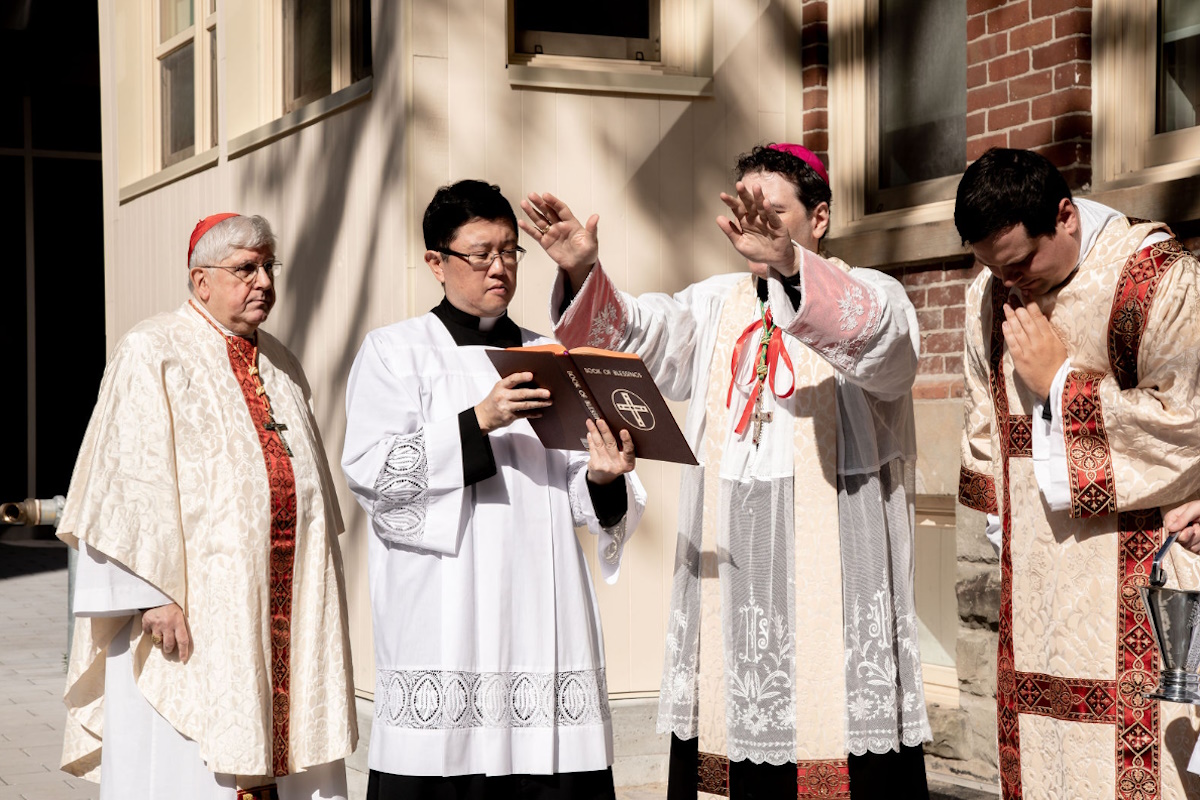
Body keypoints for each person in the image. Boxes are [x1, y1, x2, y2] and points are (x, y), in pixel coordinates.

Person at [523, 144, 931, 799]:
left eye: (772, 213)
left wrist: (794, 268)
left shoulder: (873, 294)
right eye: (744, 214)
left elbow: (887, 353)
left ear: (819, 218)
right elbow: (638, 335)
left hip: (838, 602)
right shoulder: (715, 304)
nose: (754, 230)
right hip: (733, 600)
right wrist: (583, 272)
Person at [341, 179, 645, 800]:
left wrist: (602, 478)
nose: (499, 267)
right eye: (480, 253)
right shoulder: (396, 352)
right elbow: (372, 471)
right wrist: (475, 422)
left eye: (509, 251)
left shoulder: (548, 352)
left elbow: (579, 492)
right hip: (444, 603)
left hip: (542, 601)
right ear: (436, 262)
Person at [57, 213, 357, 799]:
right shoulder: (152, 349)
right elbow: (123, 484)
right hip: (188, 613)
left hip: (284, 603)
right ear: (201, 281)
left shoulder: (282, 363)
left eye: (268, 266)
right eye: (245, 268)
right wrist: (150, 594)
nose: (264, 281)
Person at [955, 147, 1200, 798]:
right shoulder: (991, 295)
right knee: (1049, 762)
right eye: (992, 268)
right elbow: (985, 426)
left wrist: (1062, 386)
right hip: (1037, 587)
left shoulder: (1153, 277)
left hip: (1142, 583)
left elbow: (1188, 425)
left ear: (1064, 216)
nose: (1009, 285)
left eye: (1019, 263)